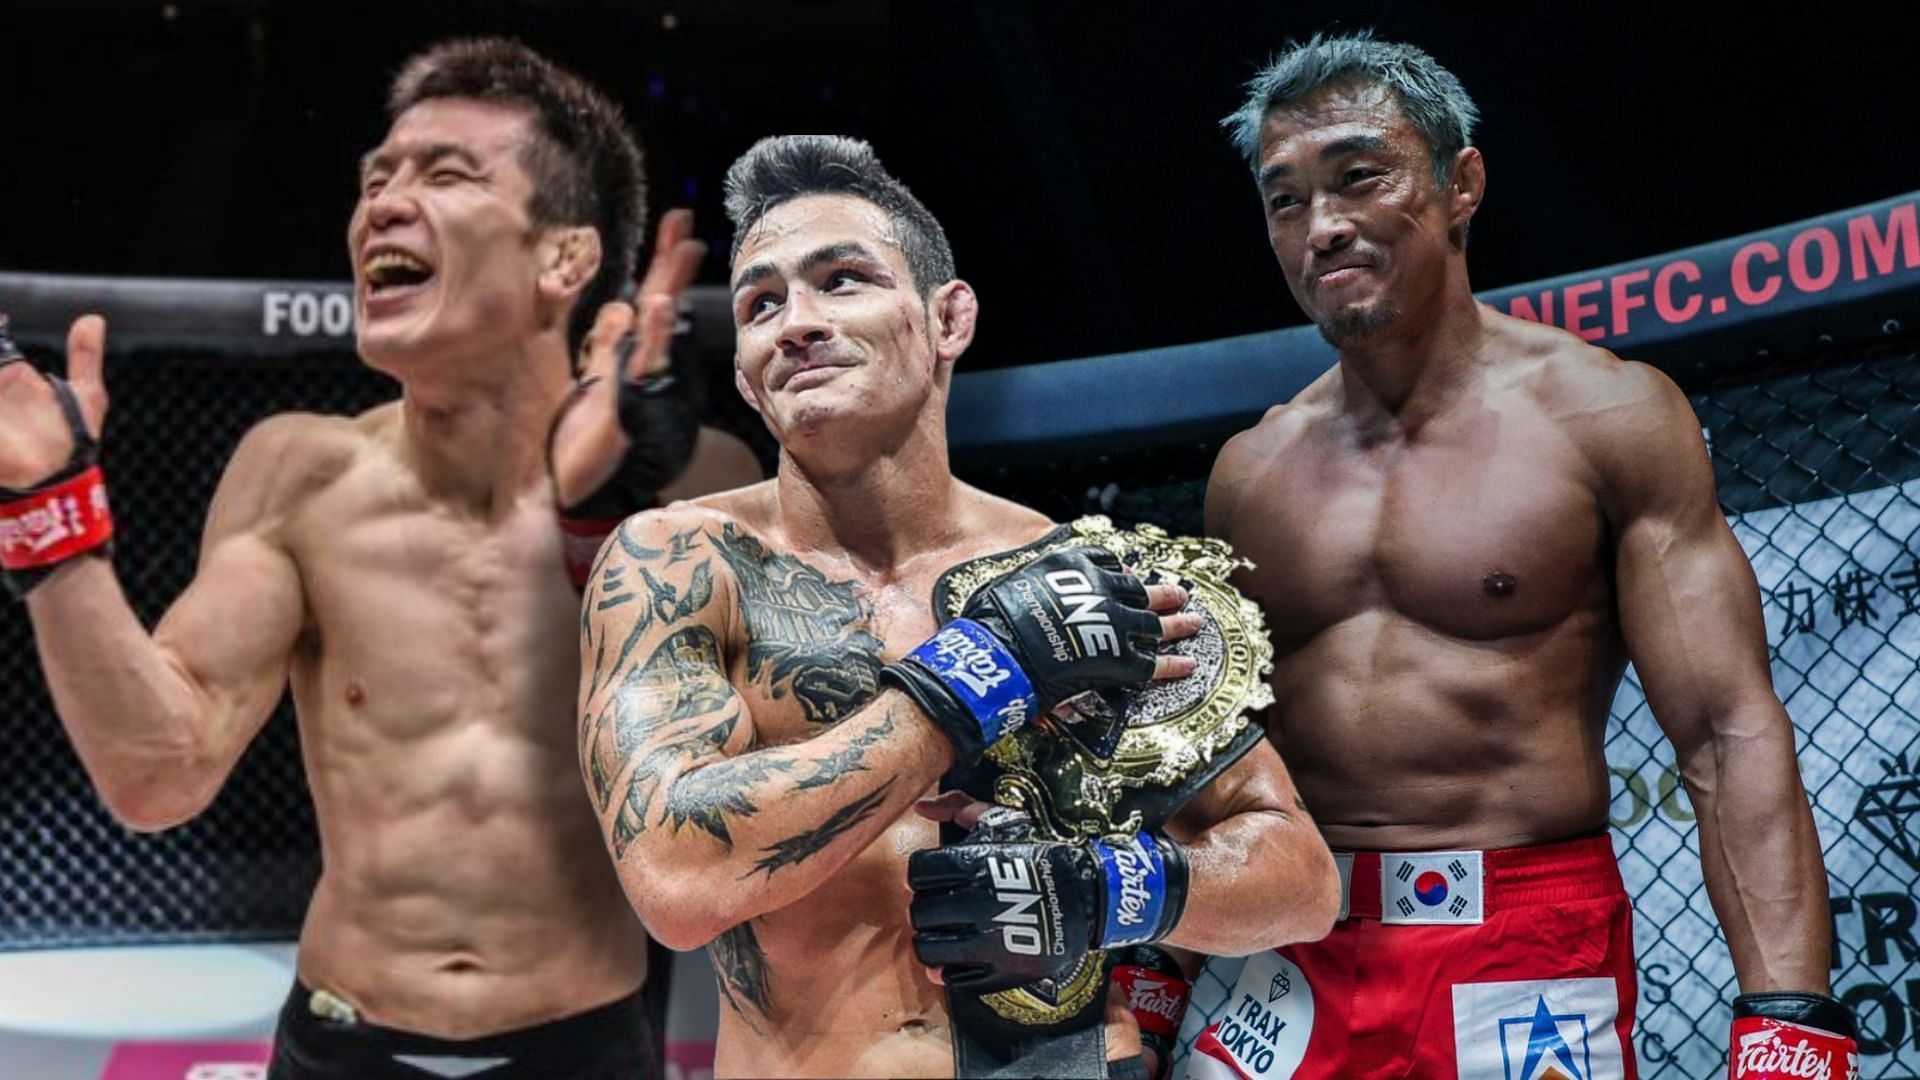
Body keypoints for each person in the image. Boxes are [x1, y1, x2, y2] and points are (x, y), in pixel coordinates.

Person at [0, 38, 759, 1080]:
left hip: (585, 1045)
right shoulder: (298, 474)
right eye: (375, 179)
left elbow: (750, 806)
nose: (381, 206)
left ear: (564, 259)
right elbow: (158, 774)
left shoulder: (705, 483)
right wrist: (48, 519)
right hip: (342, 1043)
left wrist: (615, 521)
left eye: (445, 174)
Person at [577, 134, 1341, 1080]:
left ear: (949, 318)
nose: (796, 323)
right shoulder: (681, 562)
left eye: (842, 279)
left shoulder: (1077, 574)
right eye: (761, 303)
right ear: (743, 375)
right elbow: (677, 879)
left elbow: (1302, 881)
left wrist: (1109, 888)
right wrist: (969, 681)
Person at [1194, 32, 1857, 1080]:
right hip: (1285, 950)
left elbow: (1727, 732)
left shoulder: (1606, 417)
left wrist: (1789, 1017)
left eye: (1359, 178)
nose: (1323, 227)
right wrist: (1147, 976)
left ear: (1462, 184)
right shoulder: (1248, 473)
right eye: (1285, 201)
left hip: (1521, 945)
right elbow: (1212, 757)